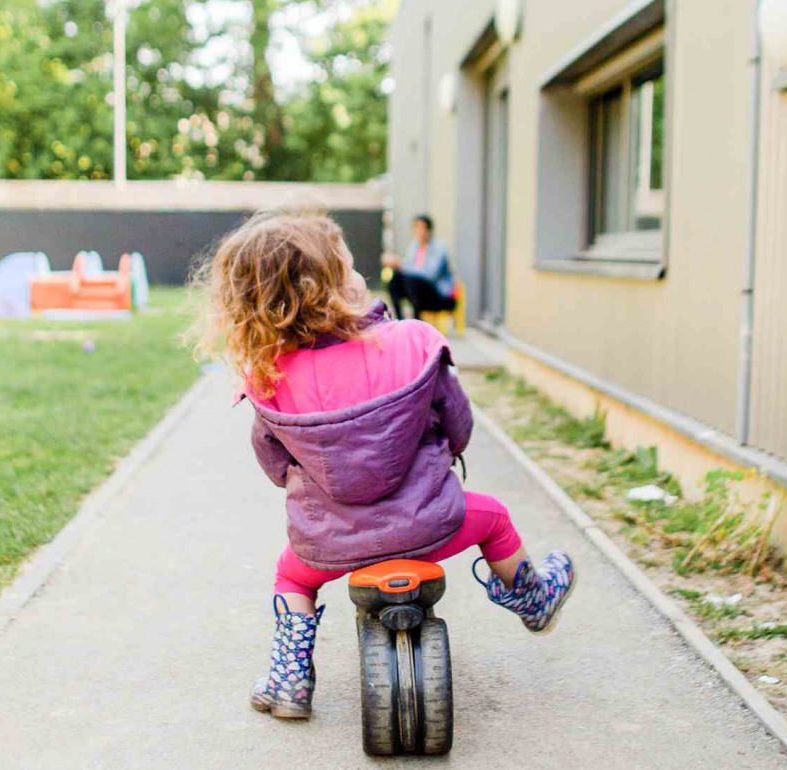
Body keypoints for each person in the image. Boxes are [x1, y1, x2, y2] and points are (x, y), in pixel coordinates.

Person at [195, 210, 576, 720]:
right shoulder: (413, 342)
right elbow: (457, 421)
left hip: (329, 543)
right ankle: (534, 600)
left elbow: (273, 460)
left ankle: (290, 679)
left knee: (292, 578)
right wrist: (446, 451)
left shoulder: (269, 376)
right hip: (434, 522)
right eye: (350, 266)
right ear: (331, 286)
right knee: (495, 518)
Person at [382, 214, 457, 320]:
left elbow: (431, 274)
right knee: (395, 278)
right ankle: (400, 320)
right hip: (416, 293)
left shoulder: (440, 247)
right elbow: (408, 268)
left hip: (438, 295)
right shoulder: (415, 246)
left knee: (411, 280)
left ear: (429, 230)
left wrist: (401, 265)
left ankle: (416, 321)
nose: (418, 231)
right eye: (416, 228)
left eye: (421, 228)